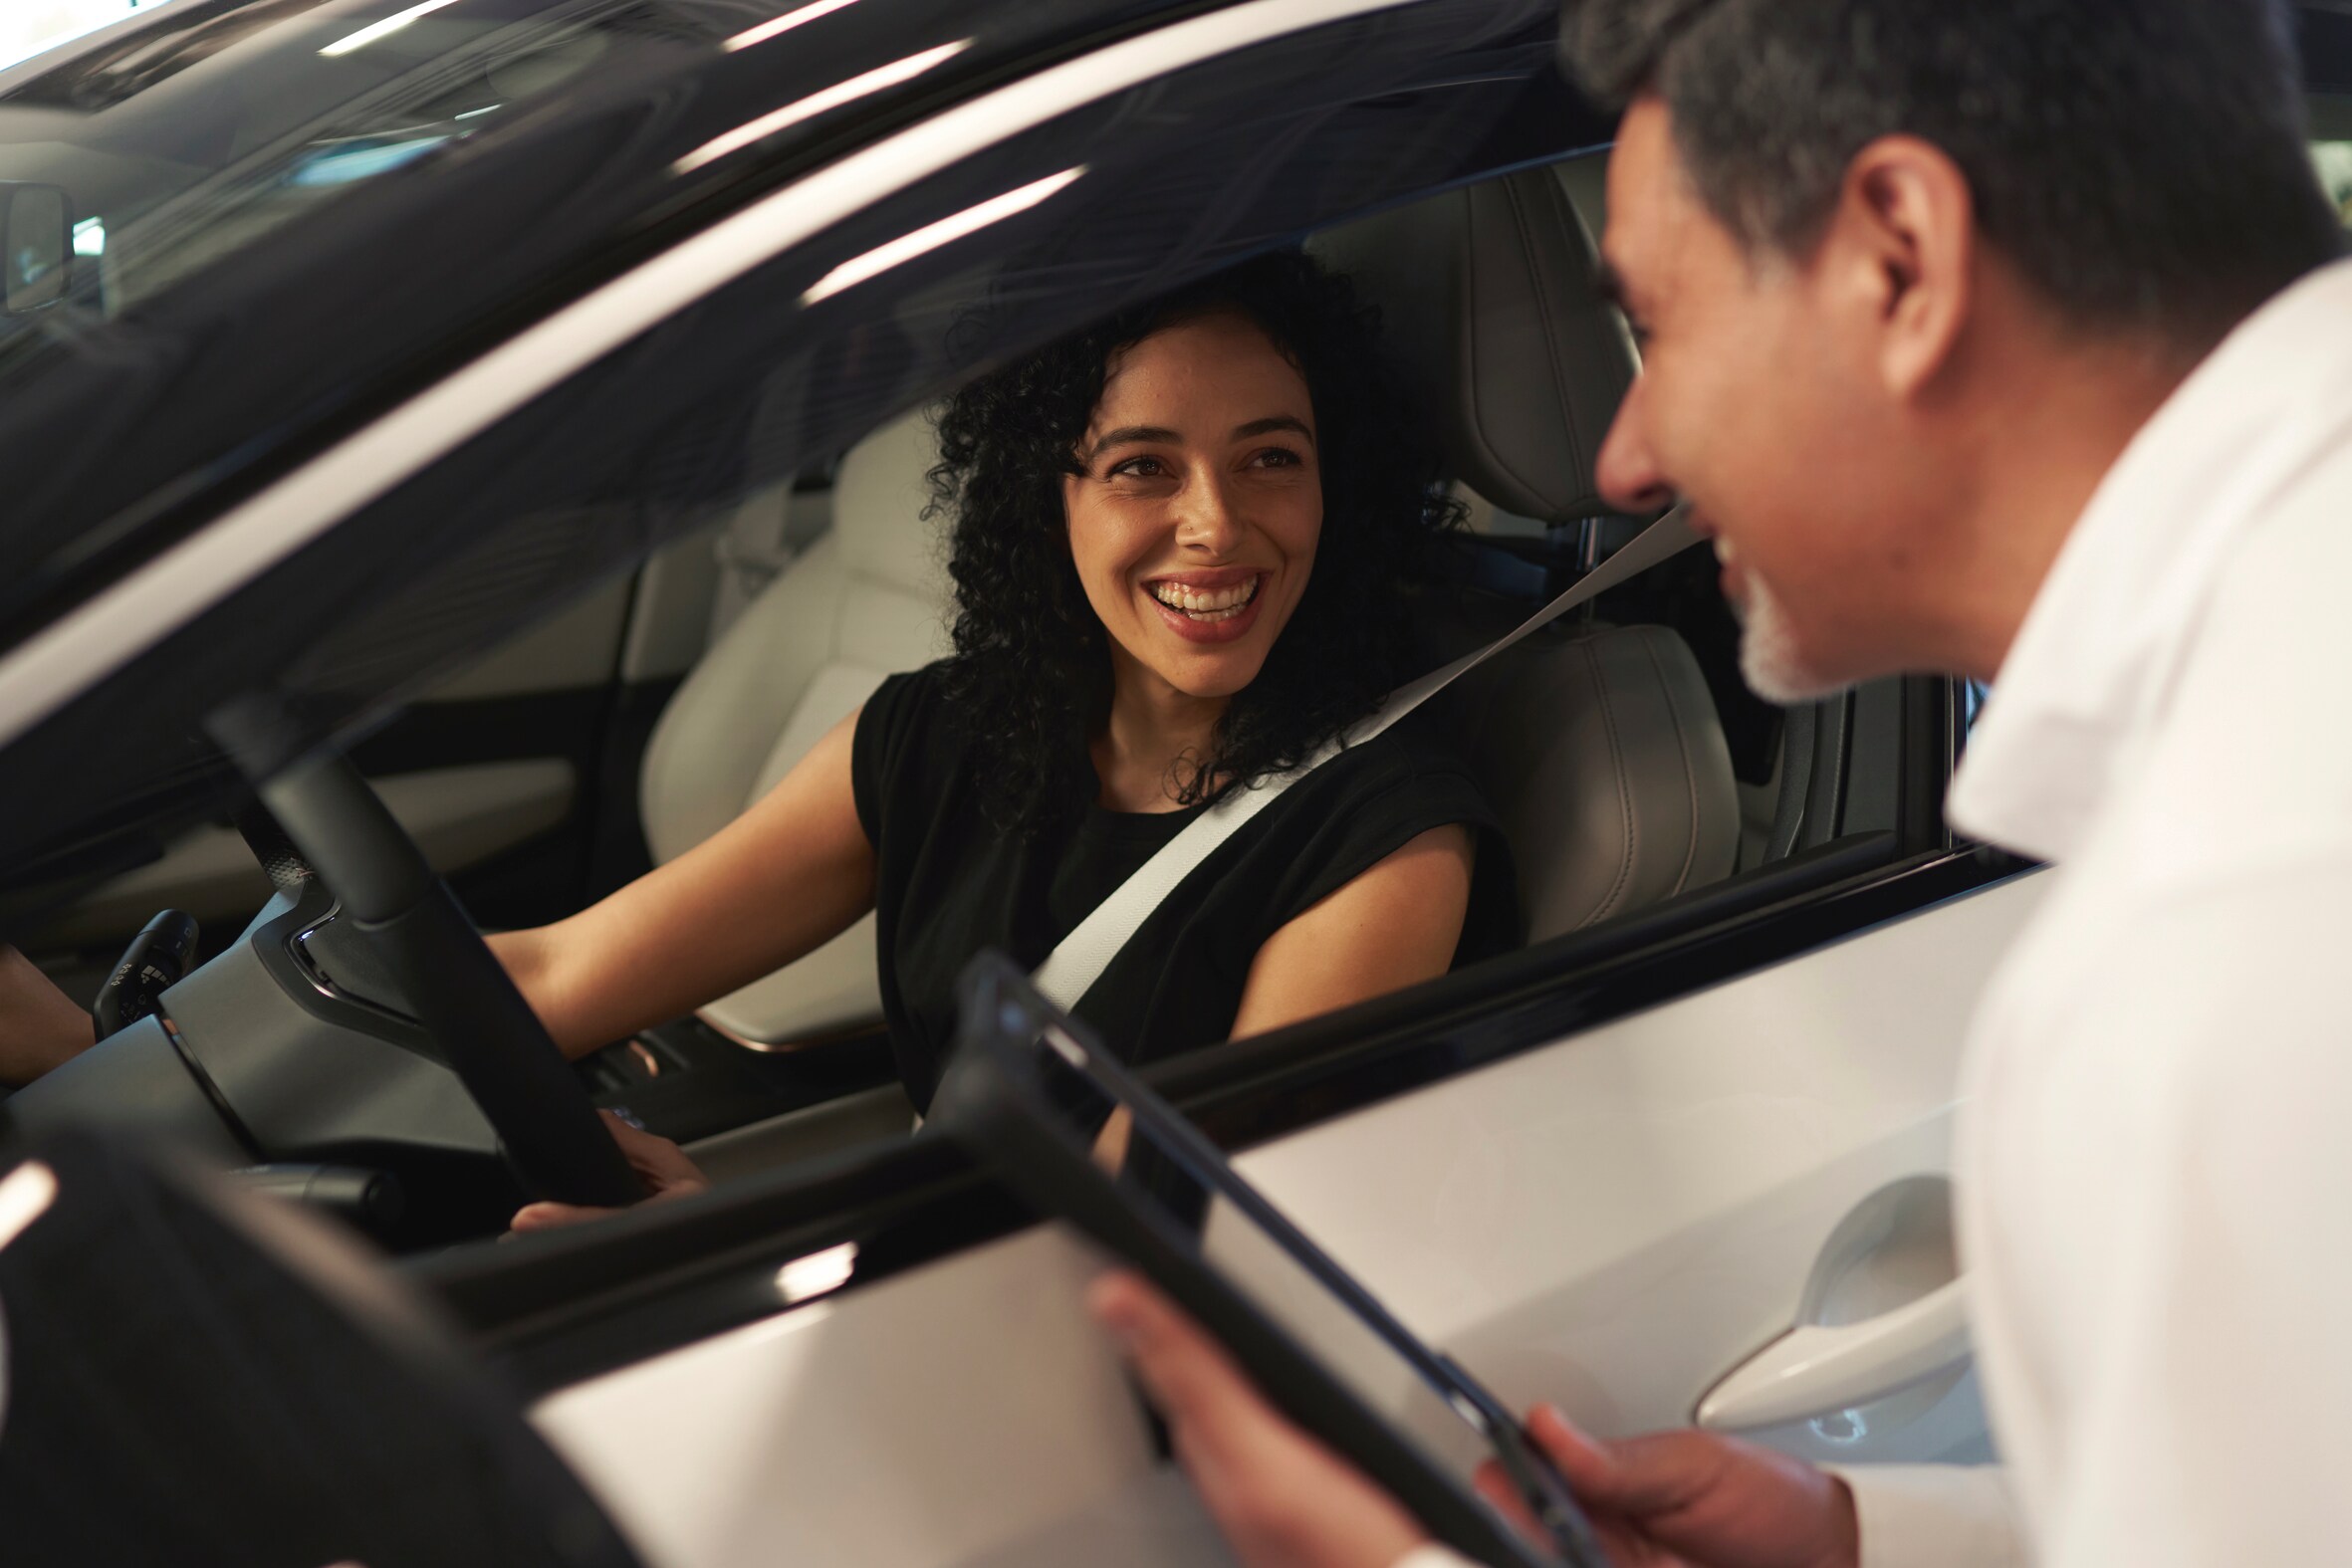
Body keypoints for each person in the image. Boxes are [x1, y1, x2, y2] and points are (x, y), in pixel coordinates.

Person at [1085, 1, 2352, 1565]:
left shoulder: (2226, 938)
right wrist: (1857, 1544)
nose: (1626, 456)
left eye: (1658, 329)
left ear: (1899, 259)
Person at [0, 253, 1520, 1208]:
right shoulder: (941, 740)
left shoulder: (1383, 834)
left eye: (1273, 459)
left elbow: (1161, 1231)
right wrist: (145, 1069)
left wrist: (704, 1243)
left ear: (1340, 484)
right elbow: (564, 969)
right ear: (1045, 500)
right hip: (951, 1255)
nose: (1215, 527)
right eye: (1139, 467)